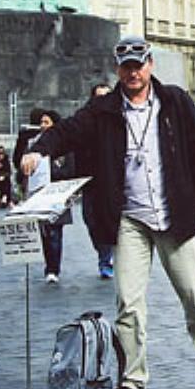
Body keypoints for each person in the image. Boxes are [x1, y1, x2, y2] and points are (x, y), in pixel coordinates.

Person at [20, 34, 195, 389]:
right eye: (126, 67)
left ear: (150, 65)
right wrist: (39, 149)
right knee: (129, 303)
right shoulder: (103, 109)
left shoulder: (175, 102)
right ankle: (134, 380)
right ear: (118, 69)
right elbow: (67, 130)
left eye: (139, 65)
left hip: (176, 215)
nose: (133, 72)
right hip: (130, 218)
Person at [26, 110, 75, 283]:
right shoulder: (33, 145)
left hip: (58, 196)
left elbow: (71, 170)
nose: (42, 126)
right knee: (43, 233)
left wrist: (50, 172)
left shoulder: (66, 148)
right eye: (41, 122)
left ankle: (53, 269)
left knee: (55, 233)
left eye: (46, 122)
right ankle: (49, 264)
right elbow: (21, 166)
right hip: (39, 195)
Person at [82, 83, 117, 277]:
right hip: (91, 181)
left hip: (114, 181)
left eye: (107, 96)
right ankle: (104, 252)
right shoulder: (86, 120)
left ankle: (108, 260)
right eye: (99, 97)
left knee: (111, 221)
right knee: (92, 221)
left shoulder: (119, 120)